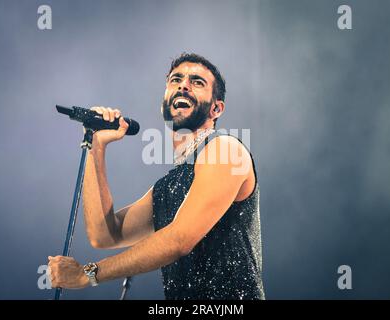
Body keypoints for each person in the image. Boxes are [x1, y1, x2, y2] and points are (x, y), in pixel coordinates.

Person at [48, 53, 265, 300]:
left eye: (197, 82)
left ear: (216, 108)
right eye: (176, 79)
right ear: (164, 100)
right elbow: (105, 234)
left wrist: (87, 274)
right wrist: (96, 145)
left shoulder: (225, 149)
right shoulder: (167, 187)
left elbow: (179, 239)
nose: (183, 85)